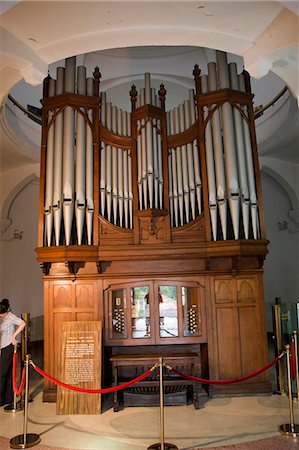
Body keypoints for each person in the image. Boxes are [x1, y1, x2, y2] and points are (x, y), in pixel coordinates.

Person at [0, 298, 26, 407]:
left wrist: (14, 336)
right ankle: (8, 398)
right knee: (8, 373)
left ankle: (1, 399)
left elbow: (23, 323)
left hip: (8, 347)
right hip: (3, 346)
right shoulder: (3, 318)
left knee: (2, 373)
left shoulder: (10, 317)